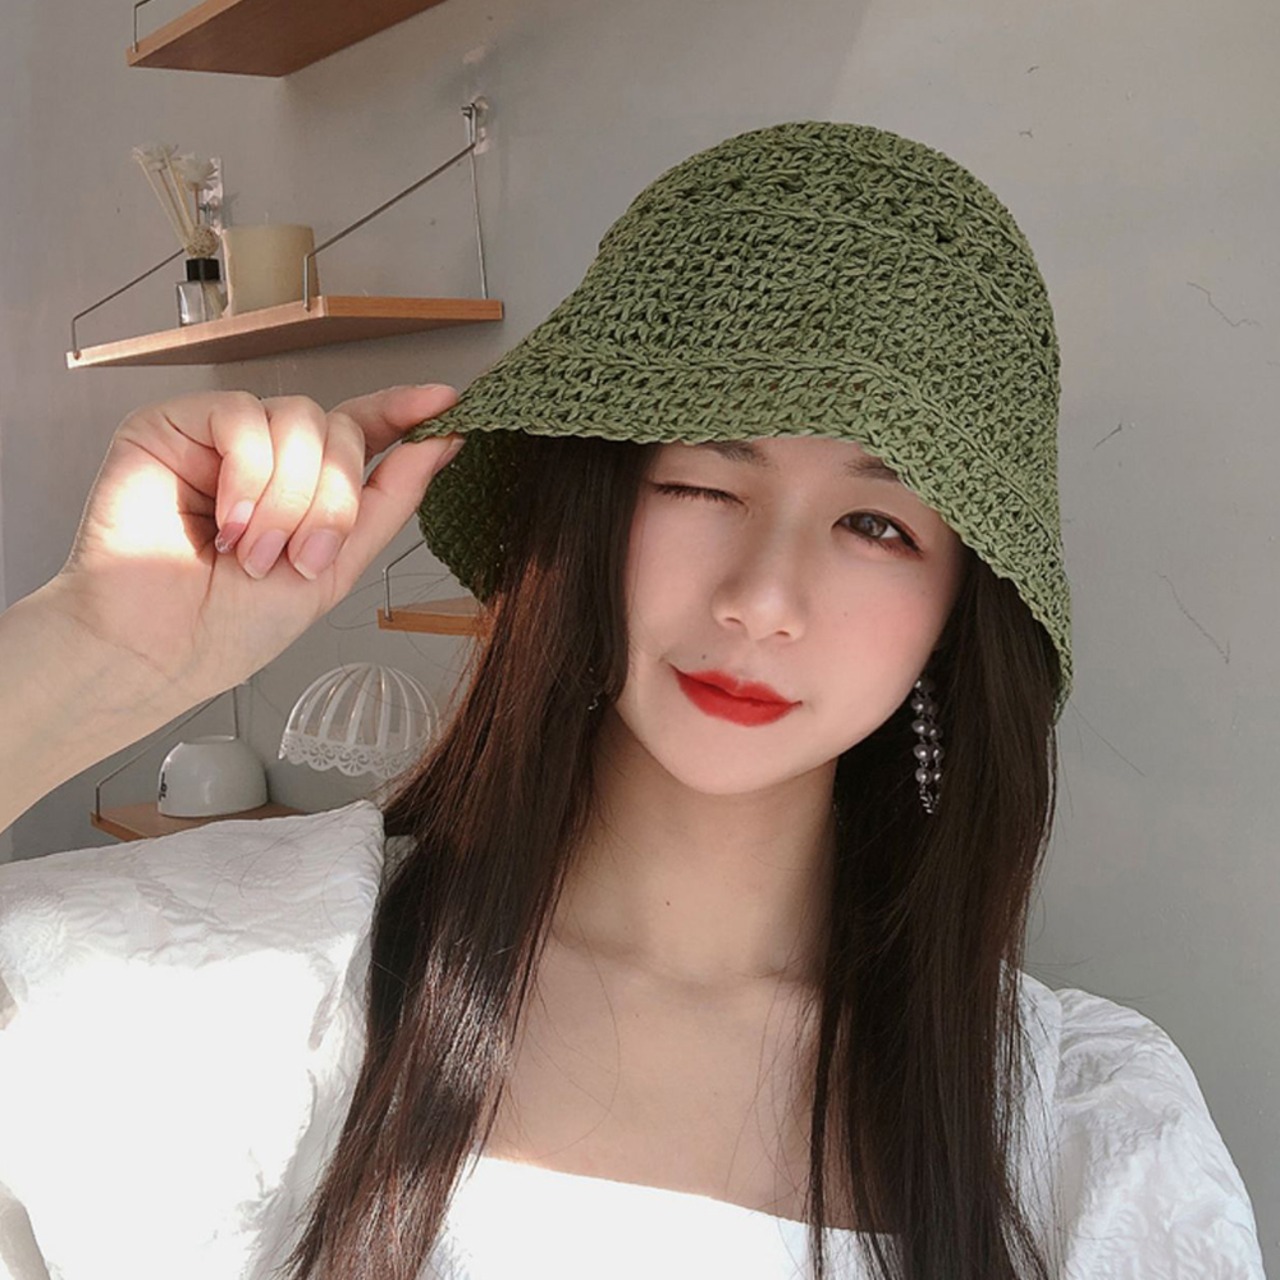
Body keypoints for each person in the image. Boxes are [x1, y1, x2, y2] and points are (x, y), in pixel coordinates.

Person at [0, 122, 1265, 1280]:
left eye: (875, 524)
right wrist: (90, 654)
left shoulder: (1080, 1137)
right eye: (703, 483)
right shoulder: (241, 987)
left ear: (954, 616)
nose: (760, 598)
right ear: (595, 507)